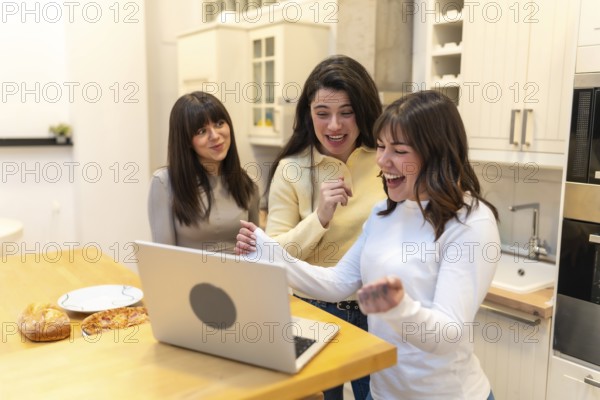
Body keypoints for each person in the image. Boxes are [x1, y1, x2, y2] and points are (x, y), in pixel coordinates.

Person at [237, 90, 500, 400]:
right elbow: (338, 282)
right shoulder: (384, 213)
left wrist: (397, 308)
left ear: (437, 154)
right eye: (380, 146)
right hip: (382, 393)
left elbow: (447, 334)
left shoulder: (471, 223)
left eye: (399, 151)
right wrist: (266, 250)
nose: (383, 161)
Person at [263, 55, 385, 399]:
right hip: (311, 315)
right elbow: (273, 256)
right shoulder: (292, 170)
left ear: (363, 111)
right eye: (322, 114)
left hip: (375, 315)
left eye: (347, 112)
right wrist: (319, 218)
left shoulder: (386, 160)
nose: (334, 125)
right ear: (308, 115)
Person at [148, 91, 259, 253]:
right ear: (185, 141)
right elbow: (164, 259)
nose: (215, 136)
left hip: (239, 277)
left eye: (219, 123)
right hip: (188, 278)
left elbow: (259, 253)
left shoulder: (248, 183)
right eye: (201, 131)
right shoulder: (164, 182)